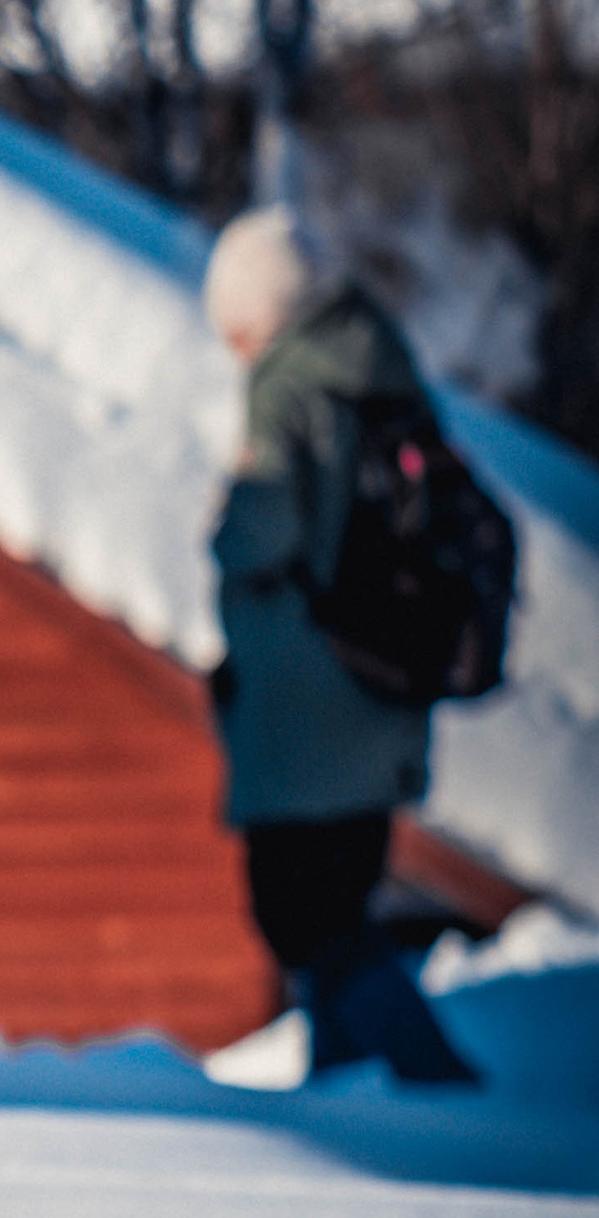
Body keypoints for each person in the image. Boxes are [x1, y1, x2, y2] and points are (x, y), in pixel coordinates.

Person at [200, 206, 477, 1083]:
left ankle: (431, 1077)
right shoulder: (378, 366)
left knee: (299, 914)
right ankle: (348, 1089)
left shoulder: (290, 384)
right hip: (378, 685)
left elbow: (263, 528)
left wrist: (225, 526)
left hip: (306, 702)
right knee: (338, 905)